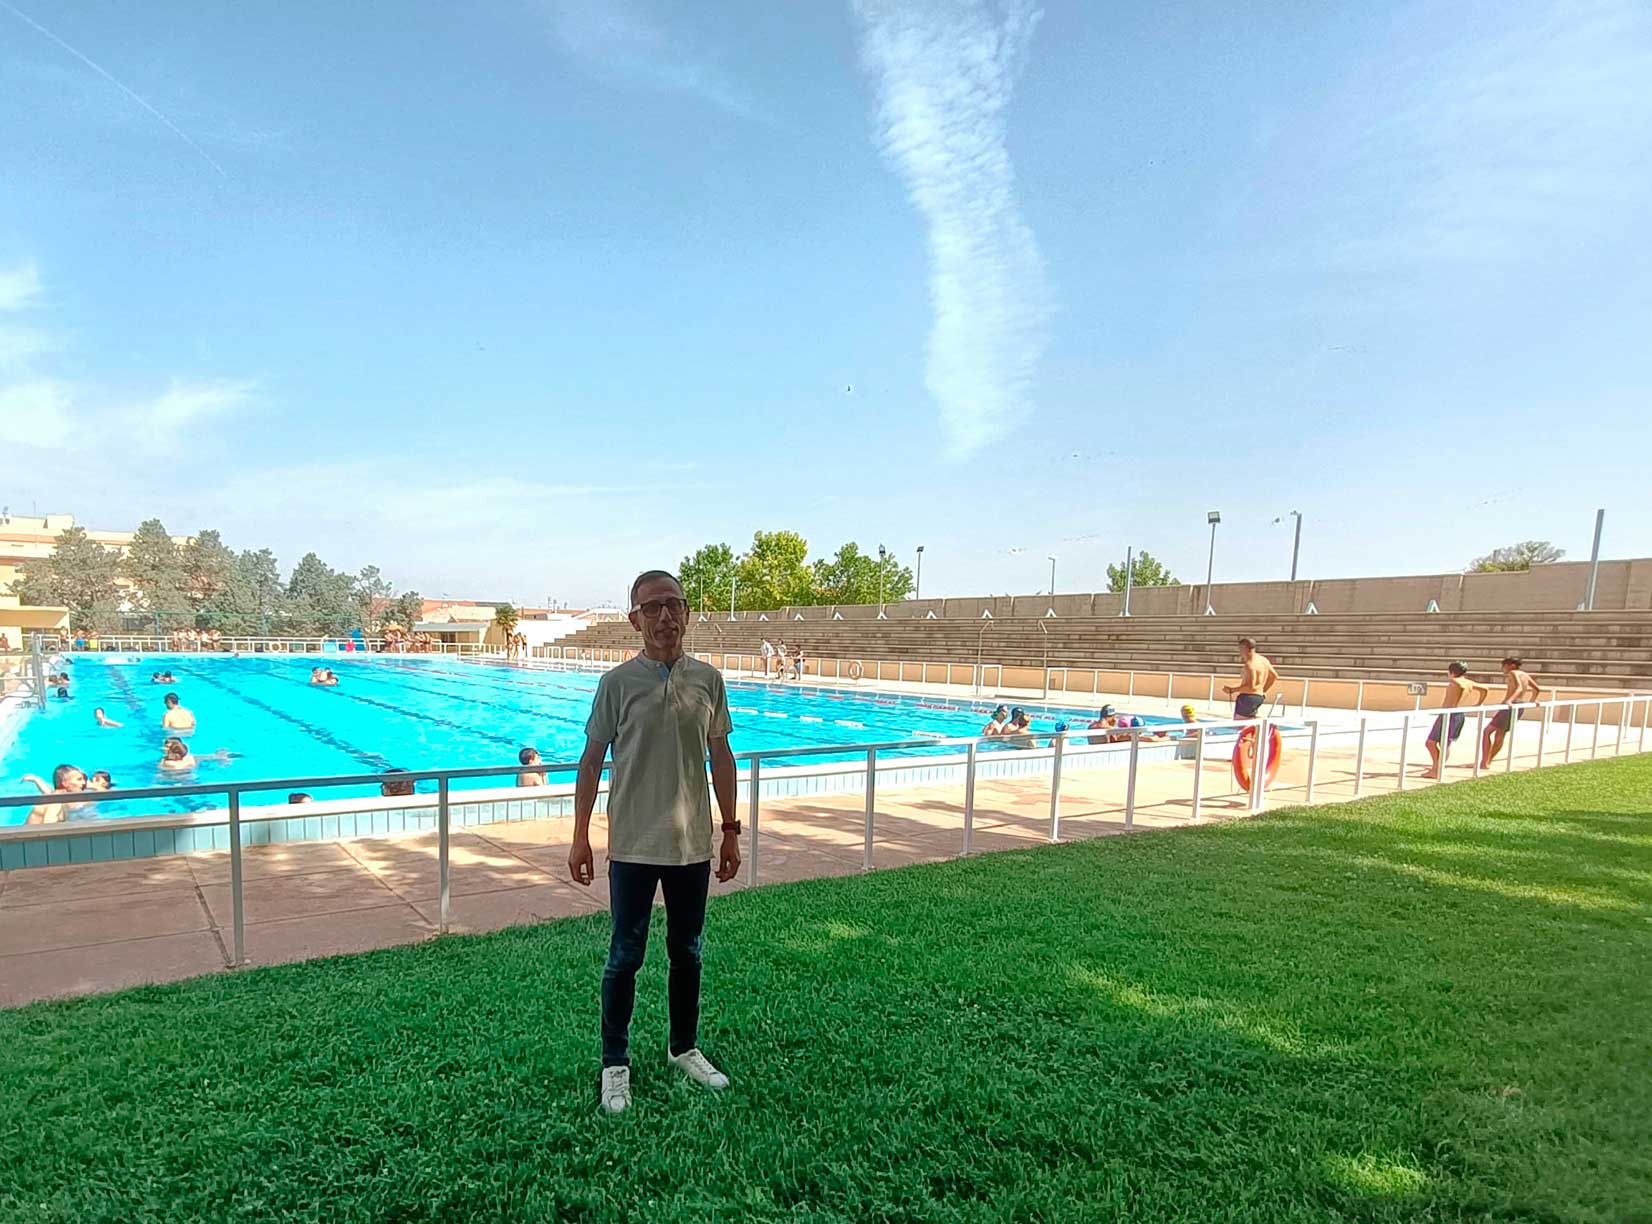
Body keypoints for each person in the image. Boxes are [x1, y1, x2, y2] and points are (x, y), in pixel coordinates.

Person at [569, 569, 738, 1116]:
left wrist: (730, 829)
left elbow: (722, 757)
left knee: (687, 953)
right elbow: (592, 760)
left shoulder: (709, 681)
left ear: (687, 613)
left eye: (674, 605)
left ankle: (683, 1047)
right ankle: (614, 1063)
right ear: (634, 620)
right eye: (652, 608)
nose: (665, 617)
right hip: (635, 846)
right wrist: (580, 837)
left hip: (692, 845)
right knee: (625, 956)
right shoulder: (616, 684)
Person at [1426, 662, 1490, 779]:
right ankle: (1436, 768)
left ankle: (1436, 769)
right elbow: (1485, 689)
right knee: (1438, 743)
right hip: (1454, 714)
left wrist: (1478, 703)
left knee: (1436, 743)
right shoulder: (1468, 682)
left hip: (1450, 714)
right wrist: (1478, 703)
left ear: (1452, 672)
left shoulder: (1457, 682)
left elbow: (1463, 686)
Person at [1481, 657, 1541, 769]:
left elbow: (1518, 687)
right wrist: (1533, 699)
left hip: (1511, 706)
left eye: (1504, 666)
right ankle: (1487, 761)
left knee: (1487, 731)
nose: (1503, 668)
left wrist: (1510, 700)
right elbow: (1537, 689)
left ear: (1511, 665)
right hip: (1520, 705)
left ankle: (1485, 761)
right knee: (1500, 733)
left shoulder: (1513, 673)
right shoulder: (1525, 674)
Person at [1223, 637, 1279, 720]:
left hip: (1248, 697)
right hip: (1258, 697)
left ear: (1244, 648)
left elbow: (1250, 687)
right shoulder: (1263, 660)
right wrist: (1263, 690)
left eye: (1240, 649)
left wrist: (1232, 690)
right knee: (1250, 723)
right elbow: (1274, 676)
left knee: (1241, 725)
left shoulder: (1250, 665)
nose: (1240, 652)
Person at [21, 764, 86, 823]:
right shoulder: (56, 803)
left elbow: (49, 792)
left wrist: (36, 780)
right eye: (79, 779)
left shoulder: (56, 797)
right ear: (64, 783)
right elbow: (50, 828)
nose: (83, 783)